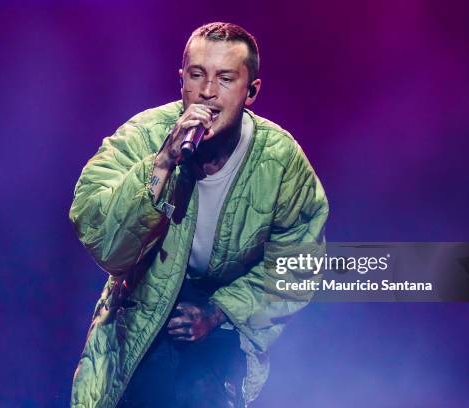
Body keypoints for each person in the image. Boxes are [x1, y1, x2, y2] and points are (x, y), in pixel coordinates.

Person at [69, 22, 329, 408]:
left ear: (251, 91)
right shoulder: (143, 135)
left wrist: (219, 311)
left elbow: (300, 261)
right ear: (181, 81)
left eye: (225, 78)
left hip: (218, 338)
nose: (207, 92)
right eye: (197, 75)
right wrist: (161, 164)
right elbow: (102, 240)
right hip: (138, 321)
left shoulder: (281, 161)